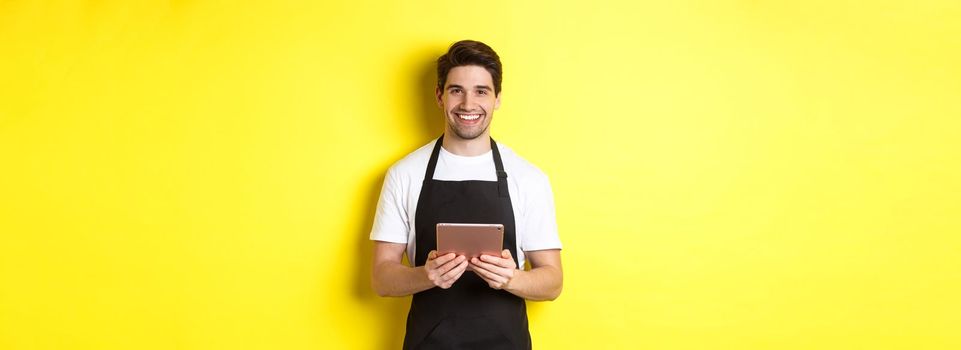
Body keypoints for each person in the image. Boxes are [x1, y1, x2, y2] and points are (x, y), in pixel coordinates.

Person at [370, 40, 563, 350]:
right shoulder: (404, 174)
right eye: (457, 90)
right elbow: (381, 278)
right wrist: (427, 275)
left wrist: (511, 278)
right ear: (439, 95)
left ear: (497, 98)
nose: (468, 104)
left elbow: (553, 281)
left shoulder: (529, 178)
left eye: (481, 91)